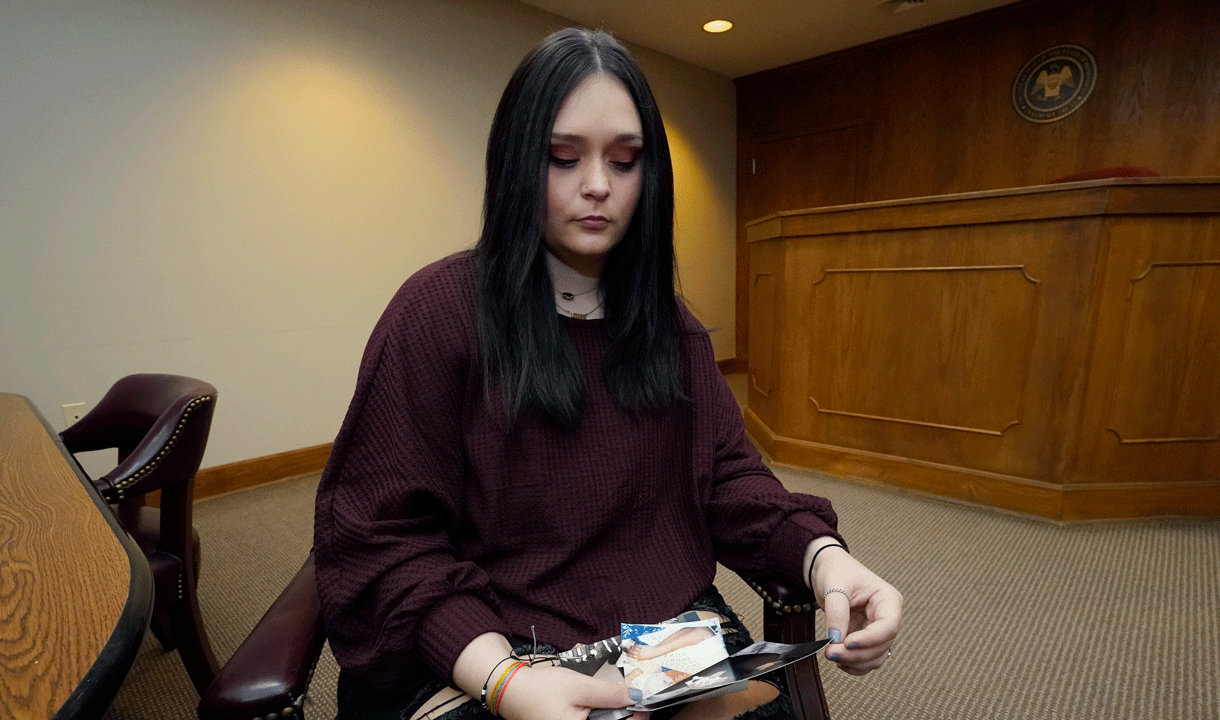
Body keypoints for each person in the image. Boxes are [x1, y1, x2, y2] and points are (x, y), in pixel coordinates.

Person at [313, 27, 901, 720]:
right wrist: (506, 682)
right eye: (563, 158)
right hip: (491, 639)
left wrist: (825, 558)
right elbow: (383, 540)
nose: (596, 186)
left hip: (655, 631)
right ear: (515, 164)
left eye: (624, 162)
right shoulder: (436, 314)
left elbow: (730, 479)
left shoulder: (670, 326)